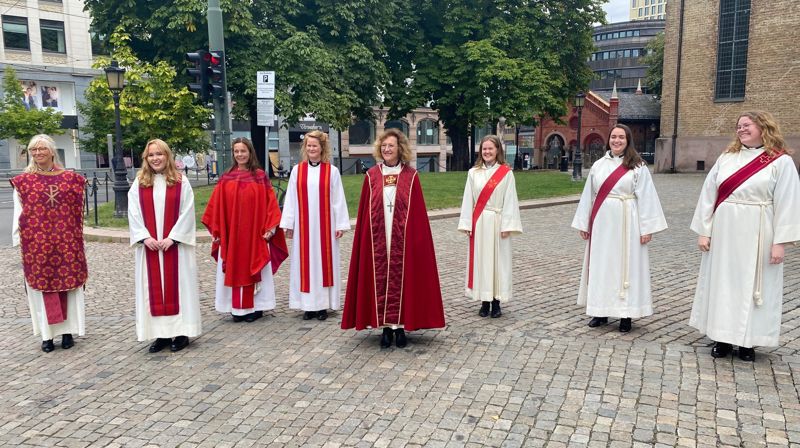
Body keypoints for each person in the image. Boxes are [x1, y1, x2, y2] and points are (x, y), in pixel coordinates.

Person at [689, 111, 800, 362]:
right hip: (725, 230)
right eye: (738, 126)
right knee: (723, 282)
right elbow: (708, 195)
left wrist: (780, 243)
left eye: (747, 125)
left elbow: (788, 202)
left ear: (763, 127)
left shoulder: (780, 161)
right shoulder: (727, 157)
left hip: (759, 231)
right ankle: (722, 338)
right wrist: (704, 231)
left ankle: (748, 342)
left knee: (754, 286)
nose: (741, 129)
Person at [341, 129, 446, 348]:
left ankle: (400, 327)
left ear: (400, 149)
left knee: (403, 276)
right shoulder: (371, 176)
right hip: (378, 236)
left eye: (391, 146)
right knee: (380, 275)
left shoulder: (411, 176)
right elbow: (364, 213)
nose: (387, 149)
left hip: (403, 237)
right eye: (384, 146)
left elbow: (417, 215)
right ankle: (386, 328)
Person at [571, 124, 667, 333]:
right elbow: (588, 195)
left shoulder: (637, 166)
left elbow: (647, 196)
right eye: (613, 137)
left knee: (627, 265)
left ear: (628, 140)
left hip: (628, 221)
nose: (616, 141)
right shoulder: (598, 165)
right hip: (602, 222)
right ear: (609, 140)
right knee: (602, 265)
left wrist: (647, 228)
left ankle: (626, 314)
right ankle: (600, 311)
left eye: (621, 137)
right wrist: (584, 223)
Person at [11, 134, 87, 353]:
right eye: (33, 150)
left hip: (66, 243)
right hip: (37, 245)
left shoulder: (71, 179)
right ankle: (47, 335)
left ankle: (67, 332)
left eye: (42, 148)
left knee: (68, 289)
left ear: (52, 151)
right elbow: (19, 213)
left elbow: (77, 212)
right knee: (42, 290)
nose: (38, 153)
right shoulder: (23, 182)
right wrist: (19, 239)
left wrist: (76, 238)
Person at [202, 137, 288, 322]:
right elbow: (216, 207)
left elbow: (270, 204)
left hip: (255, 233)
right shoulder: (226, 178)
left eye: (243, 151)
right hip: (231, 235)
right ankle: (235, 307)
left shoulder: (260, 176)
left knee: (254, 263)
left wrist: (271, 227)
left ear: (250, 152)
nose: (240, 154)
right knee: (234, 264)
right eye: (236, 151)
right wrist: (217, 231)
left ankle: (257, 307)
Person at [128, 139, 202, 353]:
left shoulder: (180, 181)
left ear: (167, 156)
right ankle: (160, 335)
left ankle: (181, 332)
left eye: (159, 154)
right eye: (151, 155)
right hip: (150, 247)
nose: (155, 158)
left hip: (175, 248)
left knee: (180, 287)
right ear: (146, 158)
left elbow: (187, 211)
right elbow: (133, 213)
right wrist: (145, 237)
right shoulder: (140, 183)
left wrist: (174, 238)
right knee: (151, 289)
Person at [280, 130, 350, 321]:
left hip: (325, 228)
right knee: (305, 265)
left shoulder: (332, 171)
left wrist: (340, 224)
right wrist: (288, 224)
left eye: (314, 146)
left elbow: (338, 199)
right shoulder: (297, 170)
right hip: (303, 228)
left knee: (323, 265)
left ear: (322, 148)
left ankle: (323, 306)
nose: (311, 149)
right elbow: (291, 198)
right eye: (308, 145)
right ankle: (308, 306)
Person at [458, 135, 522, 318]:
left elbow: (510, 200)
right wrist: (467, 223)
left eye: (490, 149)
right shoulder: (473, 173)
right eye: (484, 149)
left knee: (498, 262)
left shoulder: (506, 173)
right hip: (479, 222)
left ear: (497, 150)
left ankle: (496, 302)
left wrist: (507, 225)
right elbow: (468, 199)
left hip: (498, 222)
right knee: (482, 261)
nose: (487, 152)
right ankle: (484, 301)